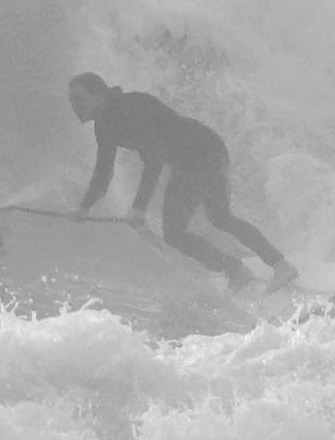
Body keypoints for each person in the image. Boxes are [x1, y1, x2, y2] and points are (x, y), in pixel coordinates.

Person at [66, 73, 294, 290]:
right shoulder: (104, 126)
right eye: (71, 101)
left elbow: (154, 158)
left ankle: (263, 268)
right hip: (194, 157)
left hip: (202, 153)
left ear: (99, 95)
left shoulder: (131, 107)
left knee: (181, 231)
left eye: (79, 99)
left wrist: (139, 207)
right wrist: (84, 207)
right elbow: (104, 172)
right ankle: (258, 268)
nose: (75, 106)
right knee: (219, 218)